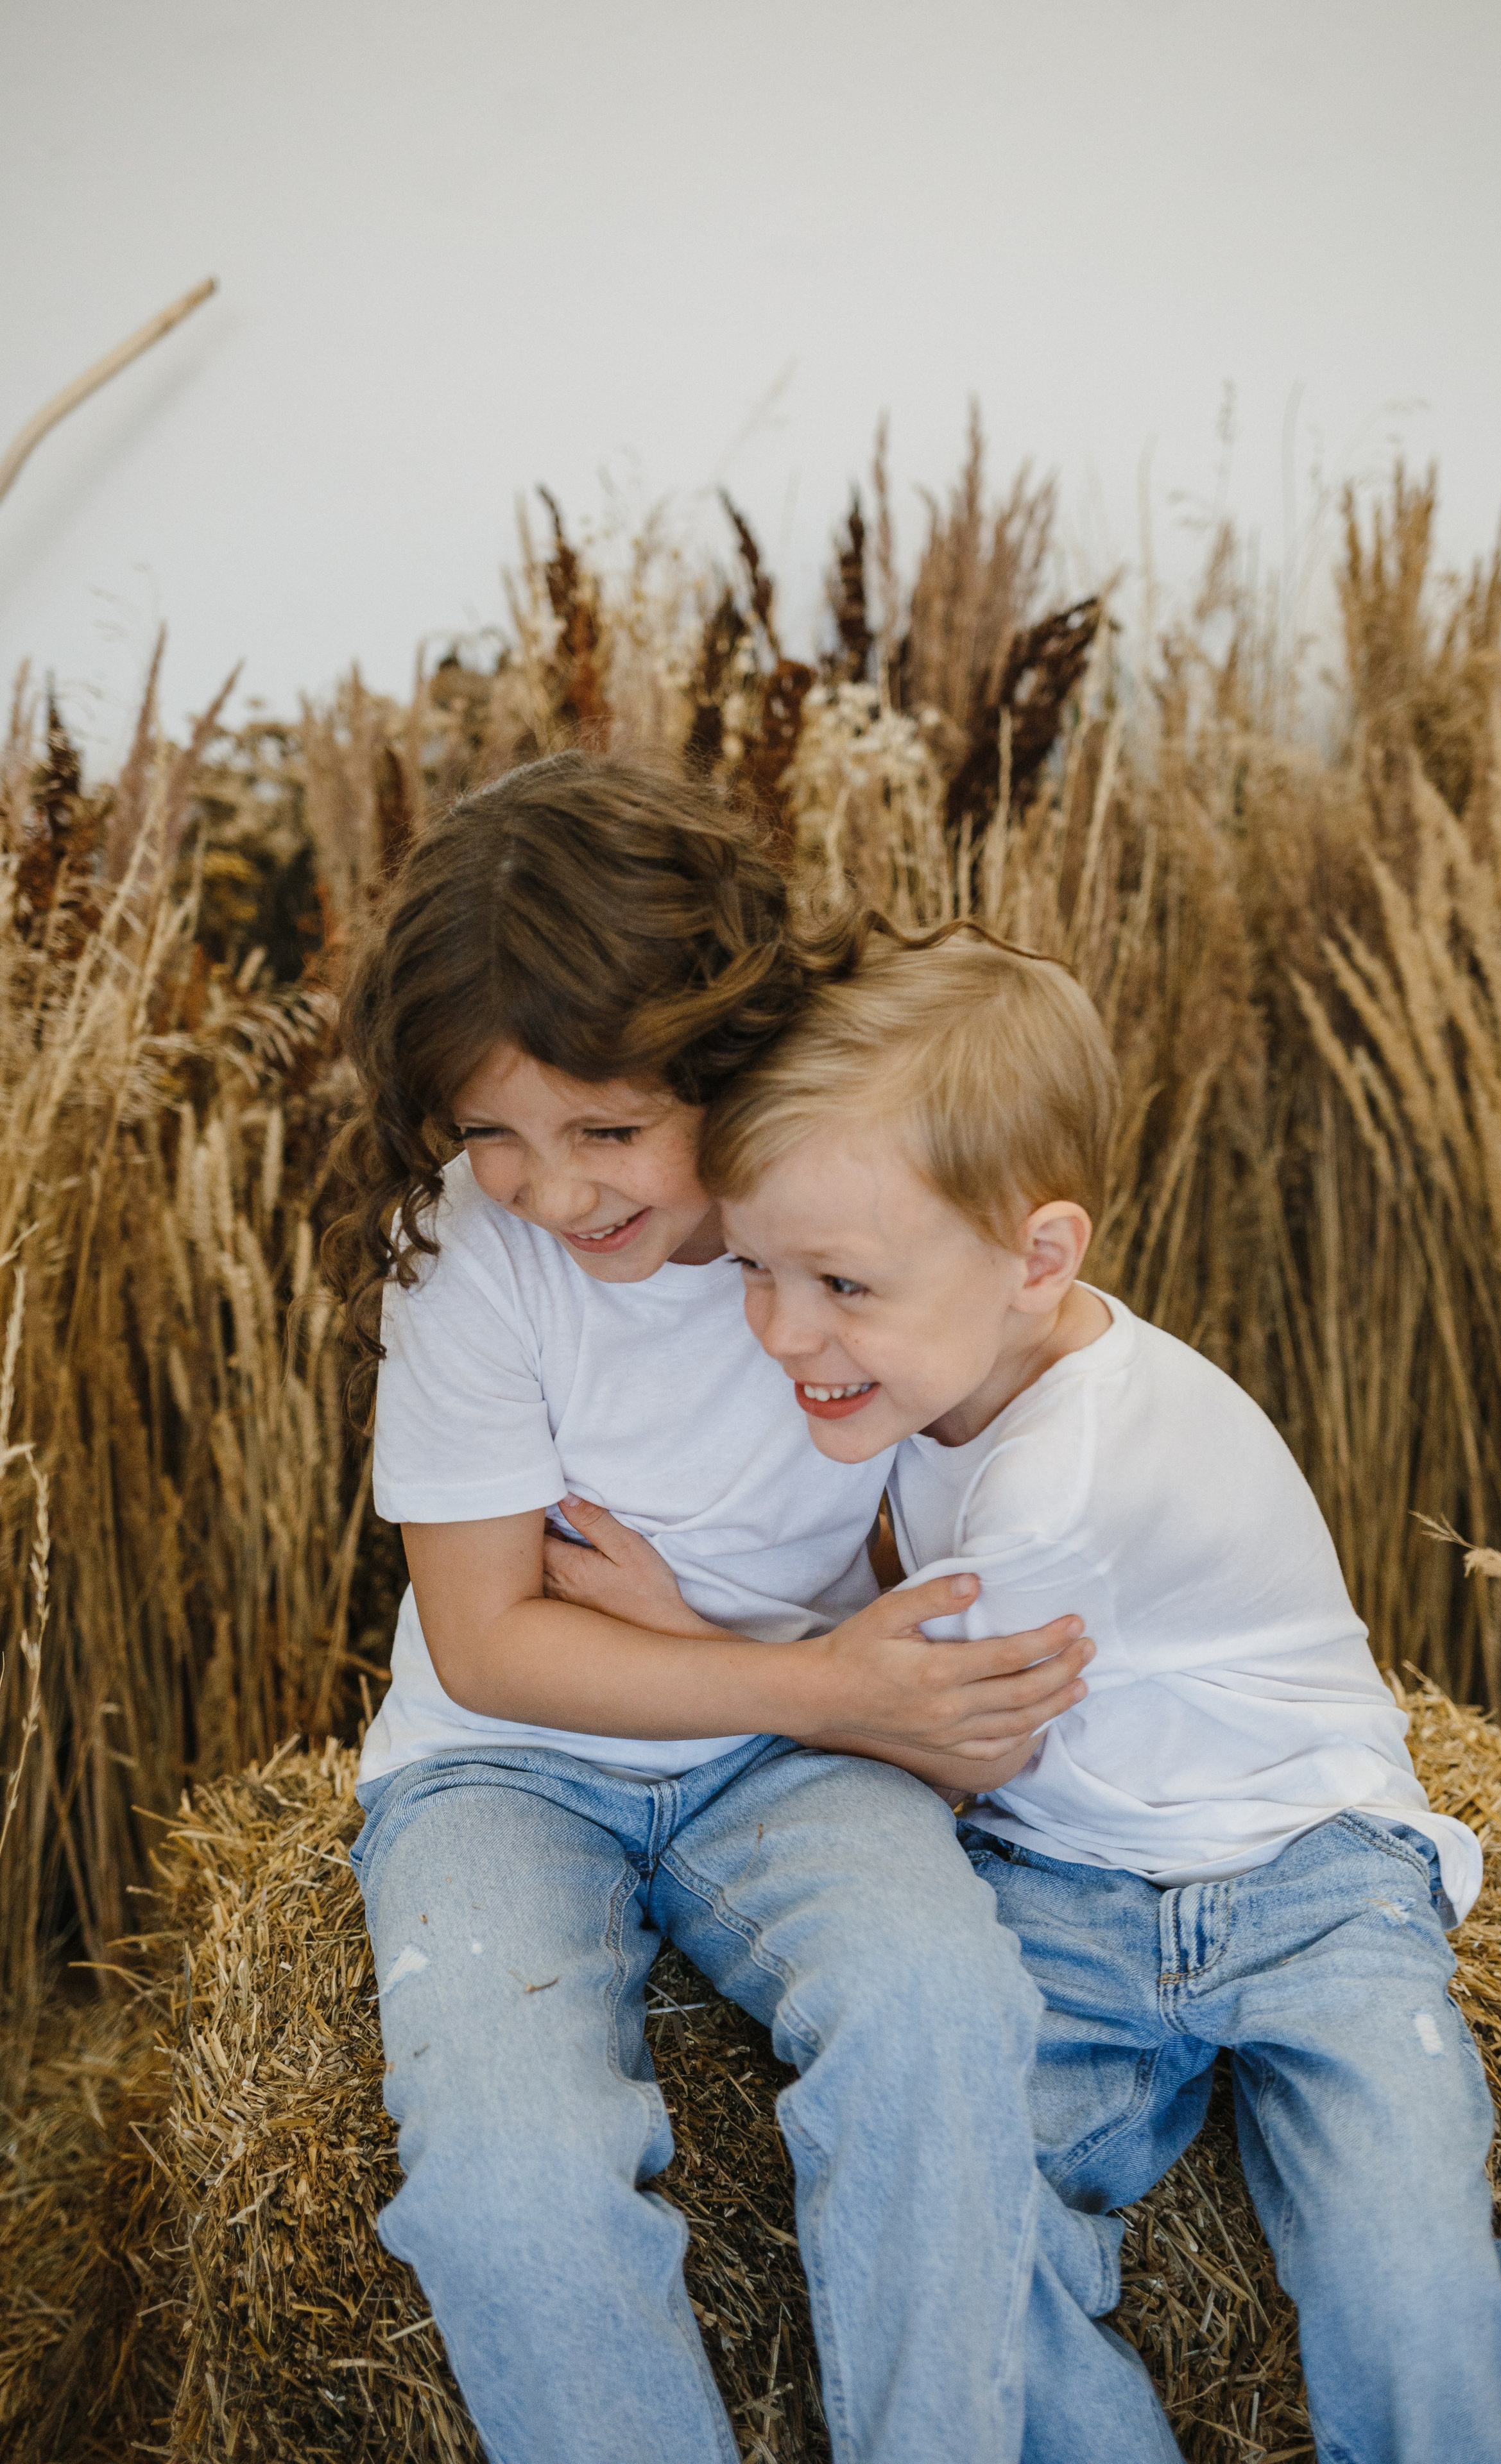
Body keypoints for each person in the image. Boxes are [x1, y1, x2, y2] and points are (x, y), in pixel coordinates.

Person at [327, 757, 1173, 2464]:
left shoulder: (863, 1213)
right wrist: (831, 1693)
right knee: (507, 2186)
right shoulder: (470, 1261)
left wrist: (896, 1691)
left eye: (607, 1131)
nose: (556, 1194)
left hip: (780, 1762)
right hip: (505, 1770)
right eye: (495, 1136)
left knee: (943, 2014)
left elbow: (993, 1473)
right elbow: (496, 1644)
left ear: (722, 1055)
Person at [673, 920, 1501, 2464]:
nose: (779, 1329)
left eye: (836, 1282)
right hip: (1070, 1887)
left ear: (1038, 1257)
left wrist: (671, 1642)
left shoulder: (1065, 1482)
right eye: (754, 1267)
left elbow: (917, 1730)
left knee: (1403, 2280)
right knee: (951, 2229)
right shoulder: (937, 1364)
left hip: (1305, 1878)